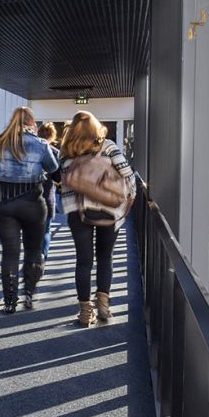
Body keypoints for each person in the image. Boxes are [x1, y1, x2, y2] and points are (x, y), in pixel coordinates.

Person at [0, 106, 60, 314]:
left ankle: (9, 301)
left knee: (10, 253)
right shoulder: (41, 145)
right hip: (33, 203)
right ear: (32, 123)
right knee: (33, 249)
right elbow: (55, 172)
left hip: (3, 204)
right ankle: (29, 293)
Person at [59, 111, 136, 326]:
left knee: (83, 260)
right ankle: (103, 305)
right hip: (110, 209)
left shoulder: (66, 152)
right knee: (105, 257)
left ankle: (85, 311)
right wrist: (129, 200)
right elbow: (128, 174)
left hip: (78, 210)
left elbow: (65, 181)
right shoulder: (108, 146)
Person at [37, 122, 60, 263]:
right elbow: (58, 178)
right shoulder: (54, 152)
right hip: (47, 196)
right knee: (46, 230)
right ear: (52, 136)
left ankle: (33, 256)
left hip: (30, 197)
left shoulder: (29, 150)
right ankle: (42, 257)